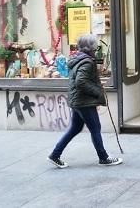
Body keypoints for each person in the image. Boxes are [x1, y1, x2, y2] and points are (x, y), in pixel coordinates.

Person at [48, 34, 123, 168]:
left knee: (75, 128)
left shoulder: (77, 58)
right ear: (91, 47)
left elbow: (81, 80)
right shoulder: (87, 62)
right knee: (95, 128)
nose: (96, 48)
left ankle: (55, 154)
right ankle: (103, 157)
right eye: (95, 45)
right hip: (84, 101)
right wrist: (97, 91)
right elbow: (81, 81)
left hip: (77, 100)